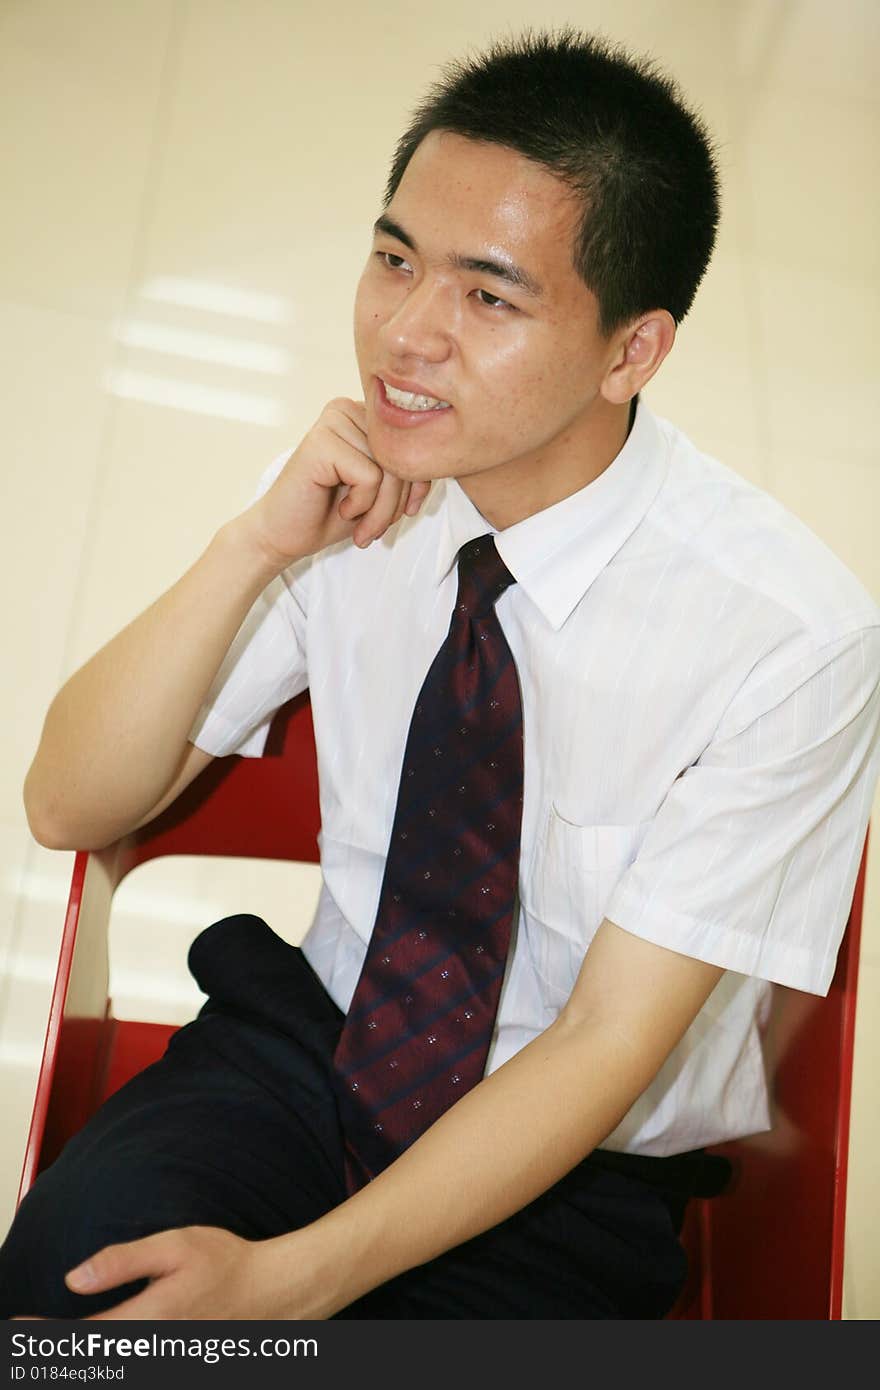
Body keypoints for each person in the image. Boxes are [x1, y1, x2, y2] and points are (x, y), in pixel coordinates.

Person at [3, 27, 879, 1321]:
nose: (406, 334)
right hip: (311, 1042)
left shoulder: (787, 638)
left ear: (632, 351)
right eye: (394, 258)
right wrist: (250, 547)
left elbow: (602, 1043)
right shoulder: (356, 486)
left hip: (568, 1154)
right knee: (71, 1306)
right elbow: (67, 804)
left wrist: (291, 1282)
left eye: (488, 295)